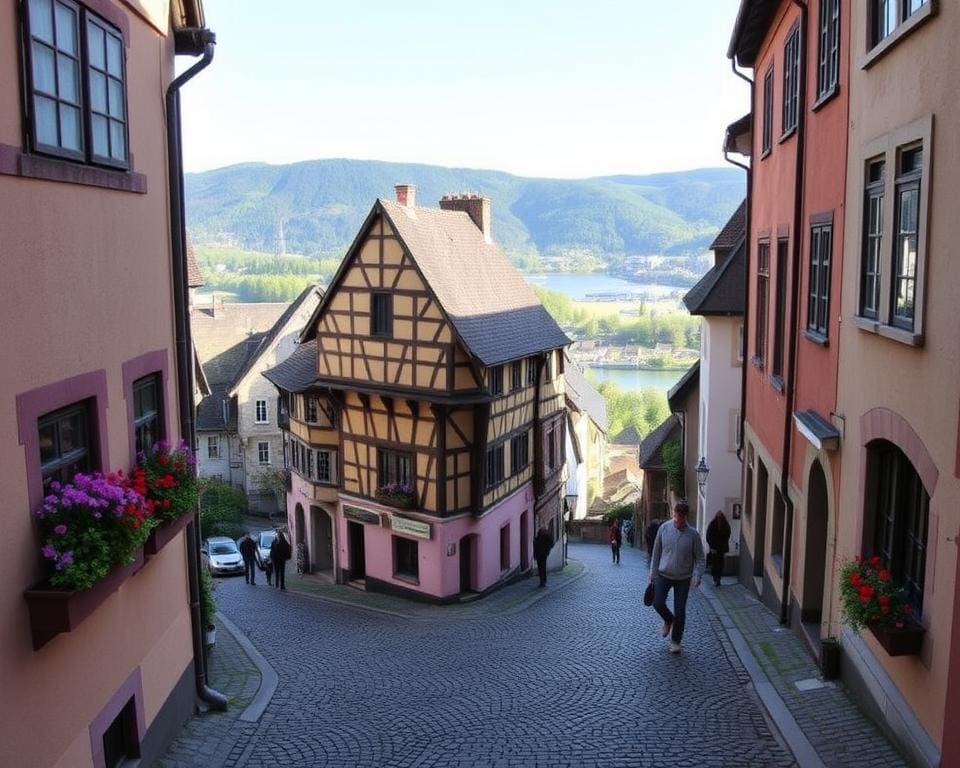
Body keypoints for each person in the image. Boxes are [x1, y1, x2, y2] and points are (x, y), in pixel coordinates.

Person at [649, 501, 706, 654]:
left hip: (683, 578)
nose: (677, 521)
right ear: (674, 513)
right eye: (675, 517)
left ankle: (675, 641)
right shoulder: (664, 528)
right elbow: (656, 552)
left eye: (680, 519)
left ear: (685, 517)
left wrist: (697, 575)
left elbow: (700, 558)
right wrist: (653, 572)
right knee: (657, 603)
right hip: (663, 574)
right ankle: (668, 619)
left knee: (680, 611)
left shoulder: (693, 534)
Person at [706, 510, 732, 587]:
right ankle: (716, 578)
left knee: (719, 564)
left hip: (720, 549)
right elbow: (709, 536)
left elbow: (727, 536)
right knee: (715, 564)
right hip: (715, 548)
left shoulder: (725, 525)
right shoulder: (713, 525)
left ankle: (718, 579)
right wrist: (712, 546)